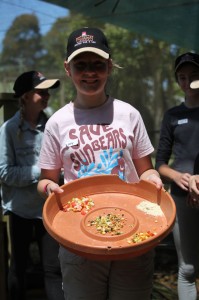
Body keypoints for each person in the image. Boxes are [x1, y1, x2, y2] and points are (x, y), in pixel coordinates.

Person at [37, 27, 163, 300]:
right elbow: (46, 179)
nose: (89, 73)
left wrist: (152, 178)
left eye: (97, 65)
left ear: (109, 66)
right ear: (68, 69)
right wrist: (50, 189)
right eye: (81, 65)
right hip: (78, 238)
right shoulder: (57, 122)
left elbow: (146, 168)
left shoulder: (129, 114)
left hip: (133, 232)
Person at [0, 71, 65, 300]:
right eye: (41, 91)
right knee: (18, 267)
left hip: (49, 210)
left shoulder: (54, 125)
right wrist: (44, 173)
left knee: (54, 269)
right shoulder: (8, 129)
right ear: (26, 96)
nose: (46, 96)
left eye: (48, 91)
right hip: (20, 210)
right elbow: (4, 173)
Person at [155, 52, 199, 300]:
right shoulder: (172, 115)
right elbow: (160, 163)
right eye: (182, 77)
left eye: (194, 76)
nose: (187, 82)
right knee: (187, 268)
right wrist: (179, 177)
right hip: (181, 200)